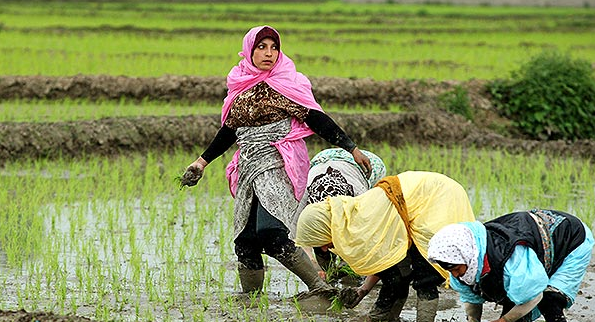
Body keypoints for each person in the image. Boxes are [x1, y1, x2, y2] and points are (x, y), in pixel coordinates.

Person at [180, 25, 372, 296]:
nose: (268, 53)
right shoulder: (240, 85)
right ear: (249, 51)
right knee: (245, 241)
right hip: (248, 167)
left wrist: (351, 147)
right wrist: (200, 162)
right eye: (261, 47)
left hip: (277, 164)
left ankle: (321, 288)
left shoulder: (286, 84)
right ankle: (251, 302)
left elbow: (316, 118)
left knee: (271, 232)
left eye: (274, 47)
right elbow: (228, 131)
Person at [295, 171, 476, 322]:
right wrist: (363, 290)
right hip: (417, 204)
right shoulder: (350, 221)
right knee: (401, 273)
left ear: (325, 228)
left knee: (425, 274)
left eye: (321, 242)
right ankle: (388, 317)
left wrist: (372, 315)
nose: (325, 249)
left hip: (436, 200)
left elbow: (388, 269)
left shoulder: (361, 223)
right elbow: (386, 264)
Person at [427, 209, 594, 322]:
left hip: (570, 238)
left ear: (468, 256)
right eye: (451, 270)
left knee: (550, 299)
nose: (455, 275)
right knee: (512, 301)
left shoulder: (509, 260)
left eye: (456, 269)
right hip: (532, 241)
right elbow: (472, 299)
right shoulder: (463, 261)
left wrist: (504, 320)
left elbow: (533, 296)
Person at [296, 148, 387, 280]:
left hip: (367, 165)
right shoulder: (304, 201)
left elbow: (372, 238)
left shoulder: (361, 201)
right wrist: (314, 266)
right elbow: (299, 239)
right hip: (322, 160)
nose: (326, 248)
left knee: (352, 246)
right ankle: (329, 273)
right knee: (320, 243)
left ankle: (349, 274)